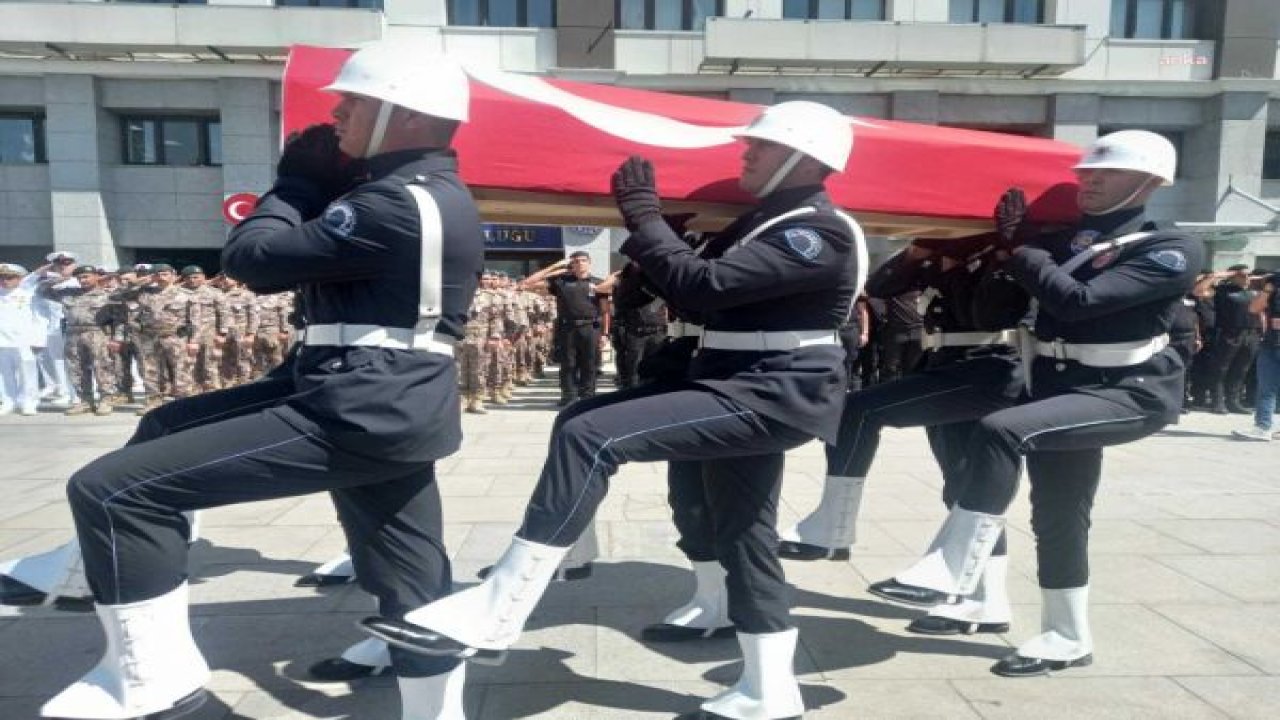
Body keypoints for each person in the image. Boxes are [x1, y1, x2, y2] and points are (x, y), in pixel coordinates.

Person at [365, 99, 867, 720]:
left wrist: (644, 215)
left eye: (760, 146)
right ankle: (771, 689)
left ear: (802, 157)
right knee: (743, 533)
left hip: (777, 391)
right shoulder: (761, 222)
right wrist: (667, 235)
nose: (746, 152)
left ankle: (503, 605)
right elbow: (692, 291)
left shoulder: (817, 230)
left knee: (591, 432)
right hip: (740, 379)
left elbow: (703, 287)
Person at [41, 42, 483, 720]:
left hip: (364, 403)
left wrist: (296, 187)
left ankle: (149, 679)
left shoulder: (394, 203)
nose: (336, 111)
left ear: (408, 115)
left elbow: (254, 259)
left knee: (112, 490)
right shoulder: (414, 195)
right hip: (379, 394)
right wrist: (331, 182)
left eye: (354, 100)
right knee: (409, 573)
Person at [867, 130, 1202, 678]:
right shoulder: (1057, 239)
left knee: (1002, 430)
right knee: (1059, 512)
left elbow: (1080, 302)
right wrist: (981, 249)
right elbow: (994, 306)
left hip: (1130, 392)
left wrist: (1020, 248)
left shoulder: (1168, 247)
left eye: (1106, 173)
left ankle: (950, 567)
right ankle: (1067, 636)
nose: (1088, 180)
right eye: (1085, 172)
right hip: (1059, 385)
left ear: (1149, 181)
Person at [778, 194, 1033, 639]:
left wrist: (986, 255)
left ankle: (832, 528)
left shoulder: (1001, 251)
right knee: (962, 486)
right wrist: (922, 249)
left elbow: (988, 312)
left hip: (990, 366)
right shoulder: (942, 251)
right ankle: (986, 601)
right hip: (946, 367)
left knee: (859, 409)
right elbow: (880, 286)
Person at [524, 251, 610, 406]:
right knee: (568, 364)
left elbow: (605, 311)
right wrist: (556, 266)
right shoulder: (561, 281)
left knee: (590, 364)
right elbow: (528, 283)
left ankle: (587, 397)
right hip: (567, 327)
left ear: (589, 263)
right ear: (571, 264)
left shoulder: (598, 283)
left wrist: (605, 333)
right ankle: (568, 397)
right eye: (576, 261)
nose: (580, 263)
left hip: (590, 327)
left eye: (583, 260)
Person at [41, 264, 123, 416]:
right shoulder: (69, 293)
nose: (82, 280)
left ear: (96, 277)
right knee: (76, 369)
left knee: (102, 367)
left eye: (86, 276)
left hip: (97, 333)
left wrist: (117, 339)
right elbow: (43, 290)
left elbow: (118, 319)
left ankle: (106, 399)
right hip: (73, 334)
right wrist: (63, 278)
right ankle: (85, 400)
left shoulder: (107, 295)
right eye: (79, 278)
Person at [1205, 264, 1261, 414]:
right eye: (1243, 275)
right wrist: (1225, 274)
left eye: (1248, 275)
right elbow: (1200, 290)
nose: (1247, 278)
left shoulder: (1253, 292)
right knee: (1221, 369)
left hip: (1250, 334)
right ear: (1233, 276)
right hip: (1229, 334)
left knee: (1241, 370)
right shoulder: (1223, 291)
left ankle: (1233, 401)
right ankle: (1217, 402)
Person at [1232, 271, 1279, 441]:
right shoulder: (1274, 286)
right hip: (1271, 343)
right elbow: (1254, 308)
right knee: (1266, 387)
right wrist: (1267, 290)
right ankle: (1263, 427)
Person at [0, 262, 43, 416]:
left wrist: (37, 340)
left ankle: (29, 402)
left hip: (24, 340)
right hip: (2, 340)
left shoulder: (29, 294)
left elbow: (38, 318)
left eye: (10, 278)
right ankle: (8, 401)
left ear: (19, 279)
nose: (5, 281)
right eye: (2, 278)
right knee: (4, 374)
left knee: (27, 373)